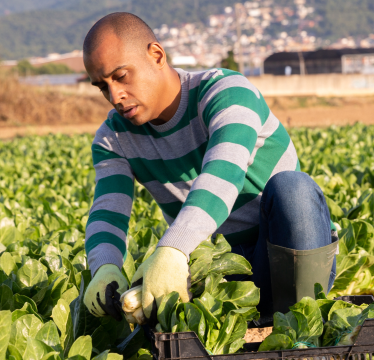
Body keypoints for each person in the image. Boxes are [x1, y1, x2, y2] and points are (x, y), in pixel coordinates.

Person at [81, 12, 338, 326]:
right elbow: (108, 208)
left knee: (293, 189)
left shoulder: (227, 93)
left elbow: (223, 175)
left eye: (121, 76)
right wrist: (104, 267)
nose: (115, 96)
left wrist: (174, 248)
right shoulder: (114, 138)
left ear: (156, 55)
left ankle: (302, 330)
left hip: (284, 258)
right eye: (102, 86)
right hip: (215, 270)